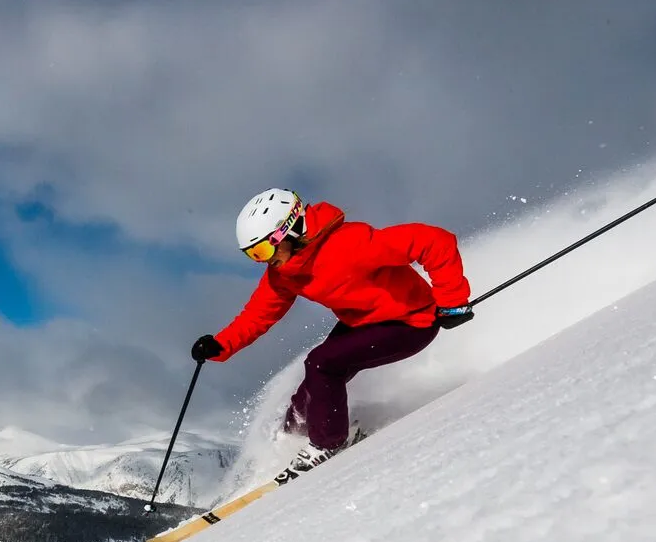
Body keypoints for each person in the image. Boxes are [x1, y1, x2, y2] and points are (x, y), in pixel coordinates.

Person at [192, 188, 474, 473]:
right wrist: (221, 344)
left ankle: (327, 444)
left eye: (263, 250)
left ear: (289, 231)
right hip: (362, 322)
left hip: (410, 321)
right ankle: (290, 438)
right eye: (253, 255)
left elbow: (434, 241)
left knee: (322, 364)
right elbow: (259, 313)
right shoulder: (285, 274)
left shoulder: (350, 244)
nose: (263, 260)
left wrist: (452, 302)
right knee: (308, 392)